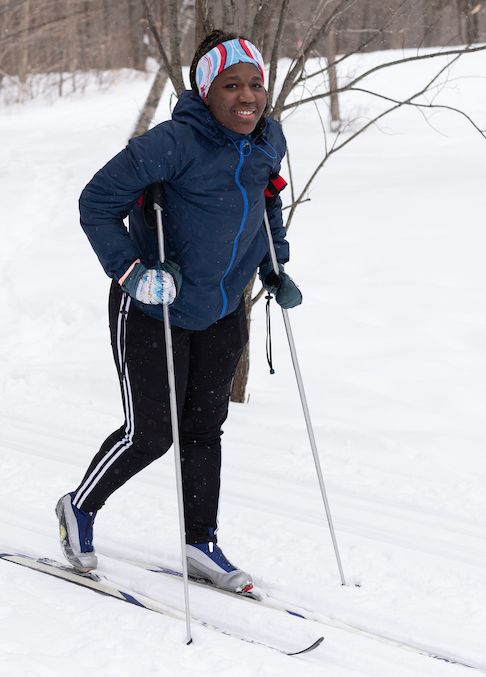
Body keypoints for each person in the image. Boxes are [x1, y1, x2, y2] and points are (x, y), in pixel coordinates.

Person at [56, 30, 303, 593]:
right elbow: (95, 203)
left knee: (203, 430)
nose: (248, 96)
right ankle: (79, 507)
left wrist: (274, 264)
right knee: (151, 433)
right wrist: (133, 273)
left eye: (256, 84)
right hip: (151, 308)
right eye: (231, 85)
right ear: (205, 90)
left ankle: (200, 543)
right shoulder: (170, 144)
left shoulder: (269, 140)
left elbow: (269, 202)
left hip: (221, 310)